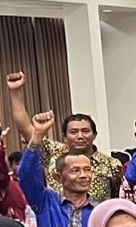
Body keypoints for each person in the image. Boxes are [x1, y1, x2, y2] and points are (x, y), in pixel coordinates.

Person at [17, 111, 98, 227]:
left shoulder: (99, 211)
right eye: (75, 170)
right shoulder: (47, 201)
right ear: (58, 178)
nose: (84, 175)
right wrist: (37, 136)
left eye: (87, 170)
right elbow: (26, 174)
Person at [7, 72, 122, 203]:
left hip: (96, 215)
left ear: (94, 135)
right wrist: (16, 92)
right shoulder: (53, 151)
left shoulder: (112, 164)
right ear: (65, 137)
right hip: (58, 213)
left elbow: (116, 200)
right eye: (74, 132)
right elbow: (26, 129)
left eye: (85, 131)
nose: (80, 136)